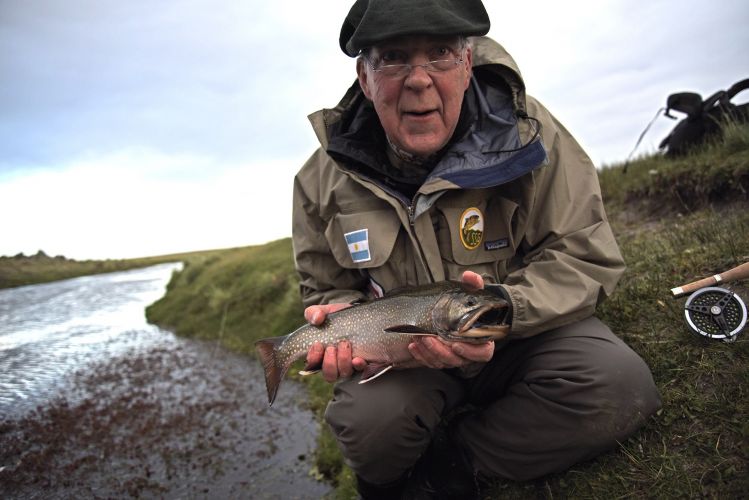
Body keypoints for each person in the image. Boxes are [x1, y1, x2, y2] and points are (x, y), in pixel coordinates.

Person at [291, 1, 661, 498]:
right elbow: (327, 286)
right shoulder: (320, 178)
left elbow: (582, 251)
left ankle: (455, 463)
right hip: (403, 357)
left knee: (618, 385)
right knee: (367, 429)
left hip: (521, 337)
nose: (419, 80)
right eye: (394, 58)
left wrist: (507, 309)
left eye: (440, 53)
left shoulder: (531, 134)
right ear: (365, 77)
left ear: (467, 63)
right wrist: (339, 322)